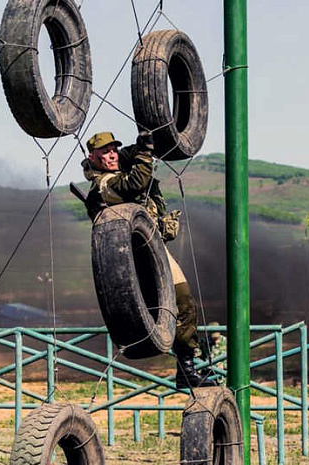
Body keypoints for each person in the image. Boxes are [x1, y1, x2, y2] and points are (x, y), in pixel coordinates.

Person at [82, 130, 216, 389]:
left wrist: (145, 139)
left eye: (113, 150)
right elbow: (136, 184)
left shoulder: (119, 166)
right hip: (130, 257)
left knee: (185, 301)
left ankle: (187, 368)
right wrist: (144, 152)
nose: (110, 155)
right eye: (104, 152)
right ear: (93, 157)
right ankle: (180, 360)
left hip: (155, 248)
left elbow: (130, 163)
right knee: (160, 309)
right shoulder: (104, 185)